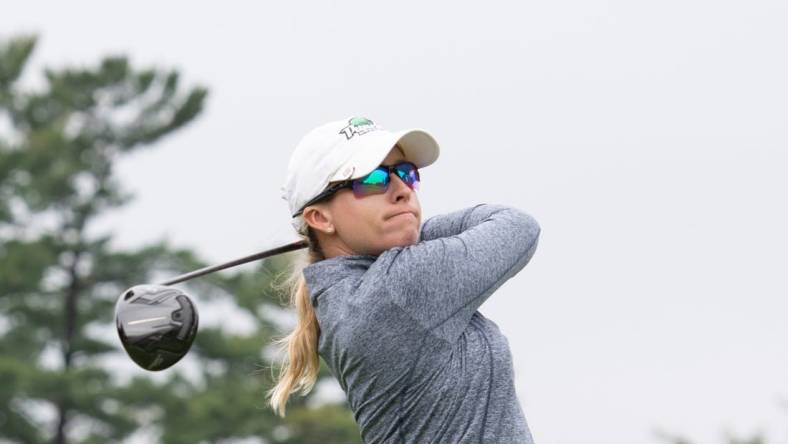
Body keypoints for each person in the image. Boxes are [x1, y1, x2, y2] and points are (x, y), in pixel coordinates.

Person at [268, 116, 541, 443]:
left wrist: (403, 229)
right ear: (320, 217)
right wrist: (411, 230)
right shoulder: (395, 292)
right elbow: (516, 226)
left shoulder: (353, 297)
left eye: (406, 173)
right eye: (373, 179)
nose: (401, 190)